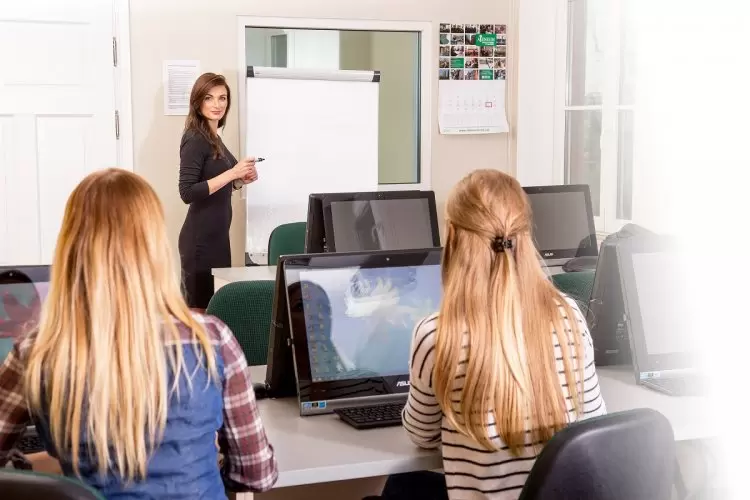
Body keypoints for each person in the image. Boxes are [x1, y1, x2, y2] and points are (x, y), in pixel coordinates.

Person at [0, 169, 277, 498]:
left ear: (71, 249)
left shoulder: (37, 351)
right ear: (155, 248)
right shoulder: (211, 339)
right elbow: (256, 474)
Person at [376, 169, 606, 500]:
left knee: (400, 488)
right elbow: (592, 423)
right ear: (525, 234)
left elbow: (421, 434)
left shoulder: (437, 335)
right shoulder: (569, 316)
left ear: (452, 236)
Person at [178, 72, 258, 310]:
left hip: (218, 239)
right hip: (200, 242)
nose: (217, 104)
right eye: (209, 98)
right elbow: (188, 192)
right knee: (200, 316)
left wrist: (241, 180)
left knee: (216, 312)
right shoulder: (194, 138)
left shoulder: (214, 137)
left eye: (222, 98)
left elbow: (218, 184)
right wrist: (233, 173)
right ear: (198, 102)